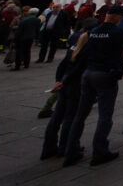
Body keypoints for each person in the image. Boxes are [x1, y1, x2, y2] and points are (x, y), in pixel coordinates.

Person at [63, 5, 123, 166]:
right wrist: (119, 59)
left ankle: (70, 151)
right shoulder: (118, 32)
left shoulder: (93, 31)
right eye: (121, 16)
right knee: (105, 116)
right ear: (115, 16)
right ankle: (99, 150)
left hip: (88, 73)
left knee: (80, 114)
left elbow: (83, 53)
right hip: (105, 74)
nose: (122, 19)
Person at [40, 17, 94, 160]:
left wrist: (59, 80)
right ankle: (66, 147)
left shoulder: (75, 41)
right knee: (71, 117)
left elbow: (63, 64)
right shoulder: (88, 45)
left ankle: (49, 148)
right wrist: (63, 80)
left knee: (57, 116)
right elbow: (78, 68)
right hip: (75, 85)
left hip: (65, 83)